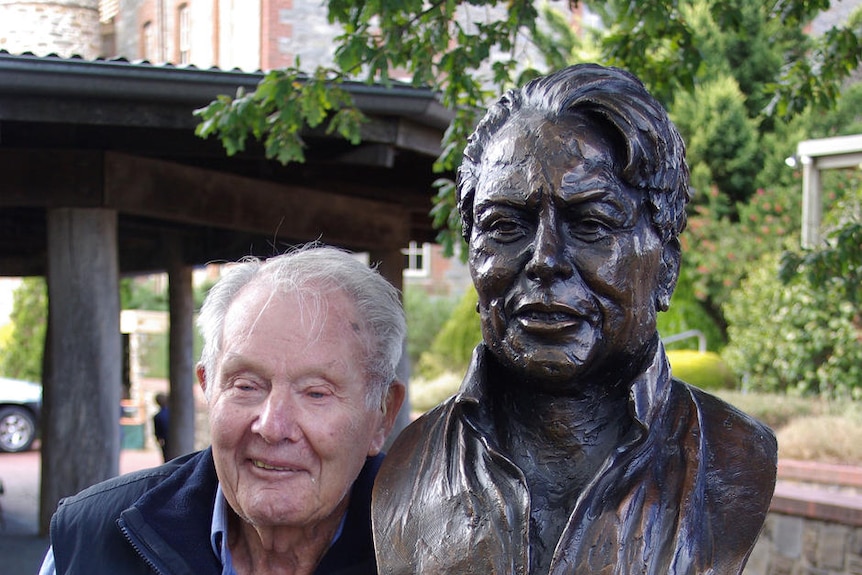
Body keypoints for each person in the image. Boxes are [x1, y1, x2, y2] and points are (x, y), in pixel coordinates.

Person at [372, 64, 778, 575]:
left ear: (666, 268)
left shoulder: (735, 459)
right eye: (504, 225)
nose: (545, 259)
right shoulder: (409, 465)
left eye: (590, 223)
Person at [40, 244, 406, 575]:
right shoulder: (88, 541)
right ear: (208, 389)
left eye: (316, 393)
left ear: (382, 414)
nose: (272, 426)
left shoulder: (439, 550)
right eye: (246, 386)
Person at [153, 392, 170, 462]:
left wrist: (158, 438)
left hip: (165, 440)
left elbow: (158, 431)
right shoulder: (174, 414)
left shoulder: (157, 416)